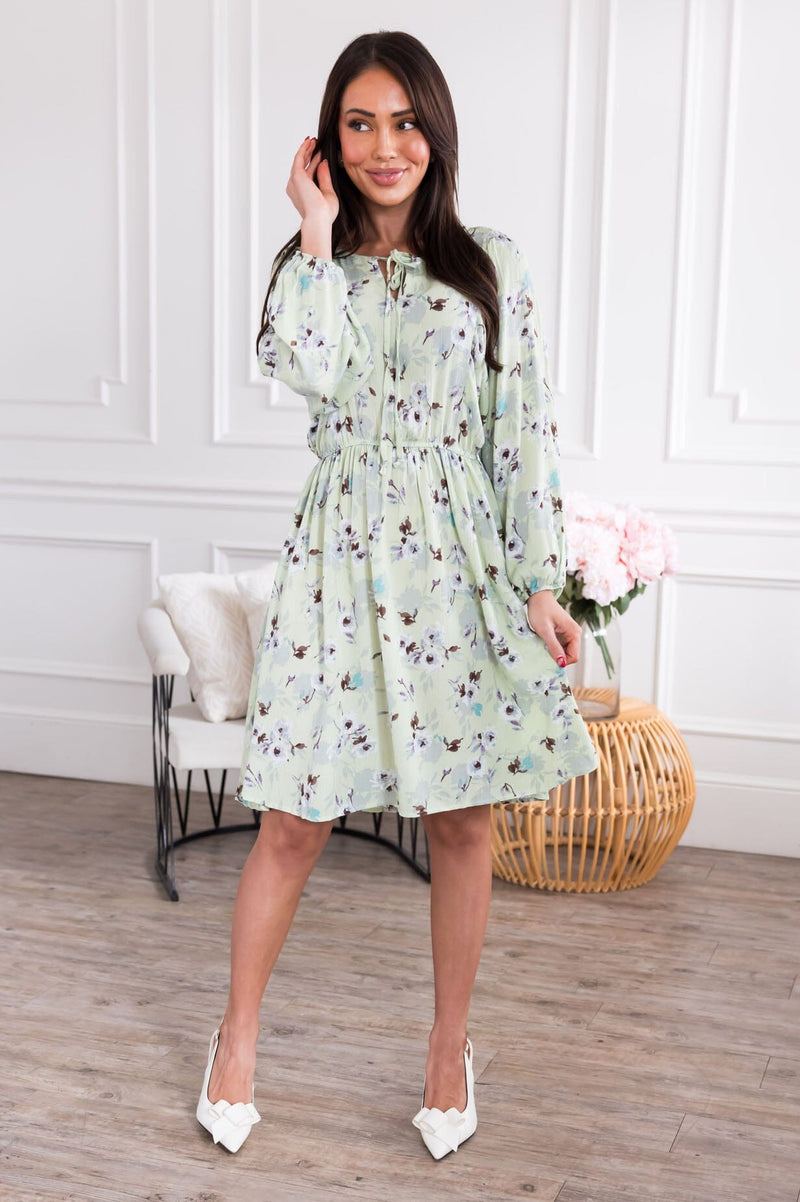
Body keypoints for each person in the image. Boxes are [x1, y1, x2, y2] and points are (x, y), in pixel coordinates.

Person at [196, 29, 600, 1158]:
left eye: (405, 121)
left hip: (457, 565)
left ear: (437, 131)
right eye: (360, 123)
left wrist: (539, 583)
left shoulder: (490, 265)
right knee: (292, 819)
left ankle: (447, 1046)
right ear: (328, 141)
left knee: (461, 817)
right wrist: (315, 230)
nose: (385, 146)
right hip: (337, 560)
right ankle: (235, 1039)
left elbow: (522, 434)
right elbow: (307, 368)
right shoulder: (306, 270)